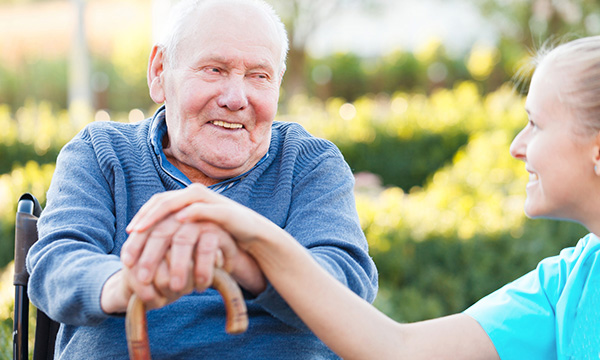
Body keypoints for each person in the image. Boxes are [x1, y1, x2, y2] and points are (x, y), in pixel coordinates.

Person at [125, 36, 600, 359]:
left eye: (535, 123)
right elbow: (394, 348)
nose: (518, 145)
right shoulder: (571, 280)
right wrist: (252, 233)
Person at [26, 0, 378, 358]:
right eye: (214, 69)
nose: (236, 98)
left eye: (259, 75)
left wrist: (242, 259)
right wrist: (124, 283)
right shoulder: (101, 153)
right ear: (159, 71)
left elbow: (347, 287)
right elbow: (56, 263)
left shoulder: (310, 164)